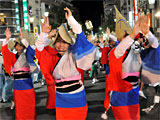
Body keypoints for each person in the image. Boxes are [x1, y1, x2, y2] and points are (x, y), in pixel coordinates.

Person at [35, 7, 96, 120]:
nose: (61, 45)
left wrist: (71, 20)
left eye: (64, 42)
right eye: (58, 41)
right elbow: (39, 50)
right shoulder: (52, 56)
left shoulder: (74, 54)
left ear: (69, 43)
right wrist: (43, 33)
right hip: (61, 99)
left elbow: (80, 36)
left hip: (77, 97)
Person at [104, 14, 159, 120]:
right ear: (120, 38)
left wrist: (148, 33)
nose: (129, 39)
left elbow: (155, 46)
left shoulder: (136, 50)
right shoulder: (116, 52)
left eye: (130, 36)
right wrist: (132, 35)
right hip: (121, 94)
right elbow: (122, 47)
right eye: (126, 37)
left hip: (133, 92)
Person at [1, 28, 36, 120]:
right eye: (17, 45)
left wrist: (24, 39)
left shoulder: (27, 55)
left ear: (24, 46)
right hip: (17, 84)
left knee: (29, 104)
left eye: (21, 45)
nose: (19, 47)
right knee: (20, 105)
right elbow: (4, 52)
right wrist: (7, 39)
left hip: (27, 83)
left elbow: (31, 51)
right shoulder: (12, 56)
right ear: (15, 47)